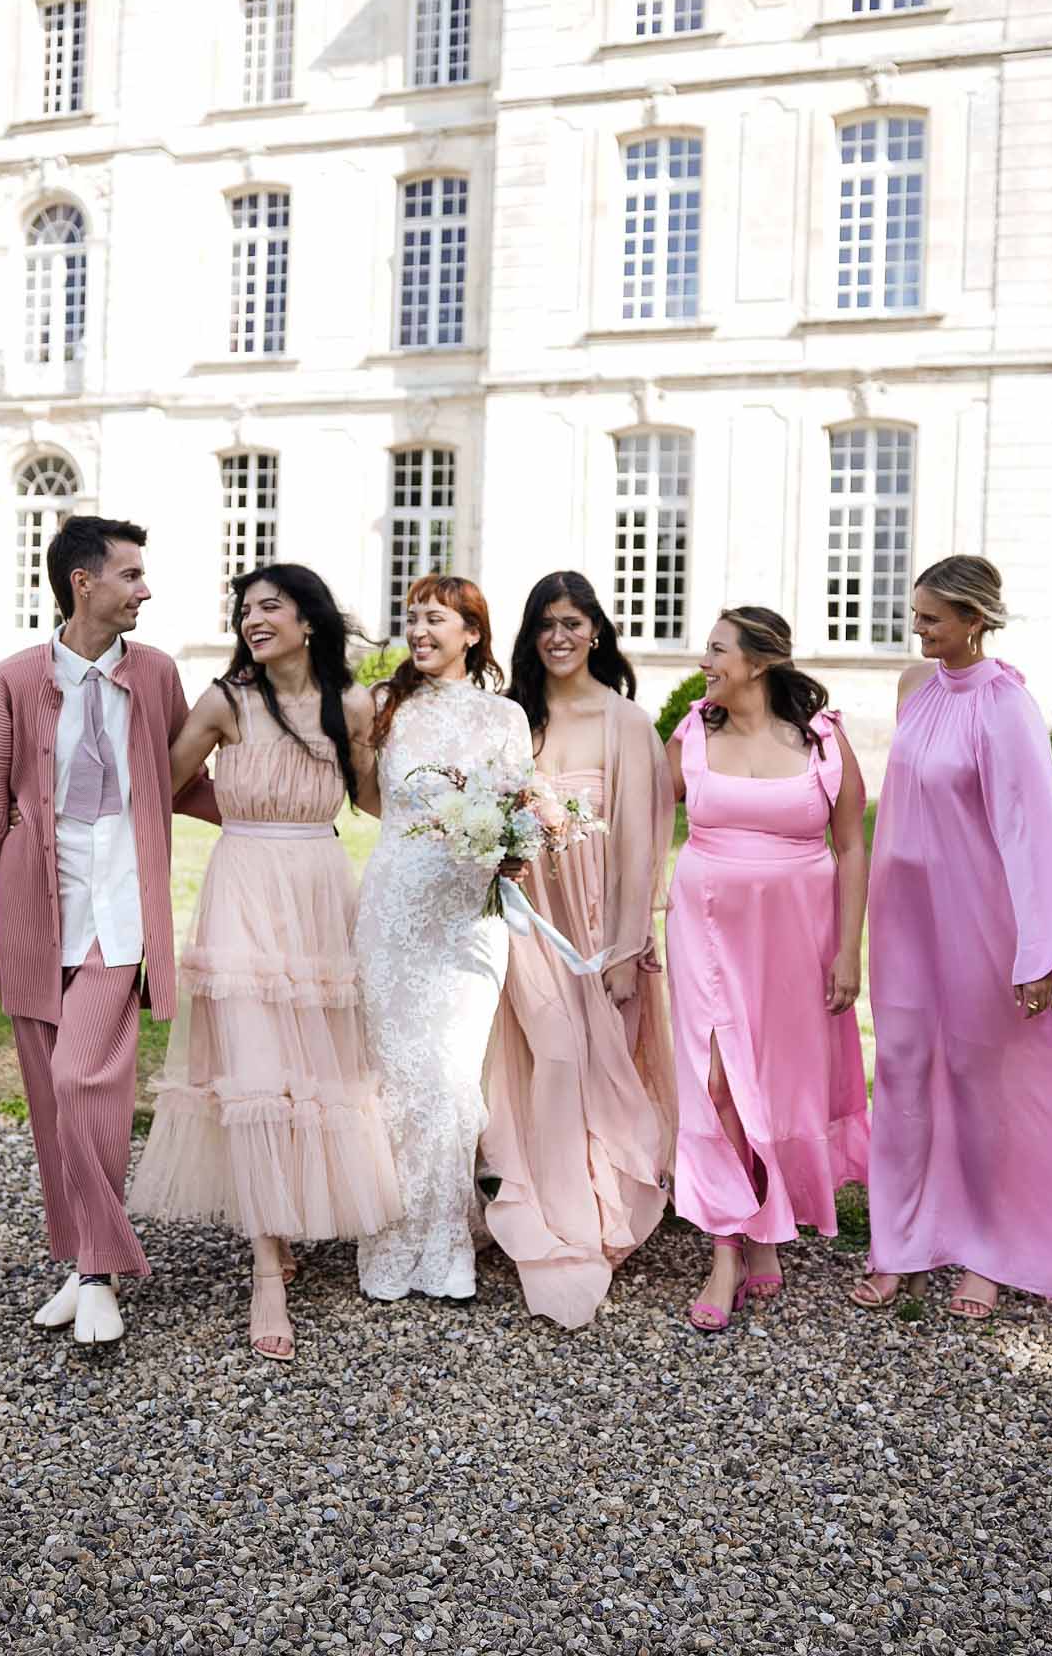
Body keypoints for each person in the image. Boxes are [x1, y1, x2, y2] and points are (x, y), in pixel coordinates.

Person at [853, 555, 1052, 1330]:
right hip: (904, 918)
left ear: (973, 620)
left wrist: (1038, 950)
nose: (918, 628)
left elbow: (1035, 833)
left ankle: (987, 1254)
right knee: (899, 1068)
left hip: (977, 924)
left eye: (932, 617)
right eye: (917, 614)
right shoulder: (911, 687)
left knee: (979, 1085)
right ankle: (897, 1242)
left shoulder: (1006, 706)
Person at [0, 517, 219, 1348]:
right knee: (52, 1103)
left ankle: (99, 1269)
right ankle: (82, 1265)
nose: (146, 589)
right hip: (30, 919)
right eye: (131, 575)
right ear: (82, 583)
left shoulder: (156, 673)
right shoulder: (12, 683)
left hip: (120, 918)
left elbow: (185, 778)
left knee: (80, 1079)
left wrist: (279, 819)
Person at [128, 564, 401, 1360]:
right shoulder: (224, 701)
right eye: (244, 609)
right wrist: (244, 811)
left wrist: (473, 806)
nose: (252, 619)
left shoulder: (351, 705)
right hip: (243, 886)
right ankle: (265, 1273)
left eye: (269, 606)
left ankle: (285, 1222)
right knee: (251, 1068)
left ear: (308, 620)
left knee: (311, 1071)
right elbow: (163, 786)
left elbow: (380, 803)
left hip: (319, 894)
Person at [480, 571, 676, 1327]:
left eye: (571, 622)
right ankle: (553, 1214)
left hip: (596, 930)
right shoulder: (512, 720)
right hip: (525, 920)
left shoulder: (624, 721)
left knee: (600, 1068)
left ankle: (601, 1205)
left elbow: (638, 844)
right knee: (552, 1055)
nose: (558, 638)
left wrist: (627, 946)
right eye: (544, 625)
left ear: (595, 629)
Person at [665, 608, 870, 1330]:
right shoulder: (692, 734)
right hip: (707, 934)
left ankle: (763, 1226)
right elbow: (645, 822)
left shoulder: (821, 739)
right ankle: (726, 1246)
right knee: (718, 1079)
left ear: (757, 662)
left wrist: (848, 950)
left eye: (716, 650)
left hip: (796, 941)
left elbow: (851, 847)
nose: (703, 661)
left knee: (776, 1085)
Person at [354, 575, 532, 1303]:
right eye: (412, 619)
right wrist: (412, 838)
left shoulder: (505, 716)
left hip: (469, 915)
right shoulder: (382, 707)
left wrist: (509, 845)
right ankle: (394, 1236)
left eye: (435, 619)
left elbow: (521, 803)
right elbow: (366, 794)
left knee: (453, 1074)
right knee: (398, 1075)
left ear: (471, 632)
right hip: (395, 904)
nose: (419, 632)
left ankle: (448, 1241)